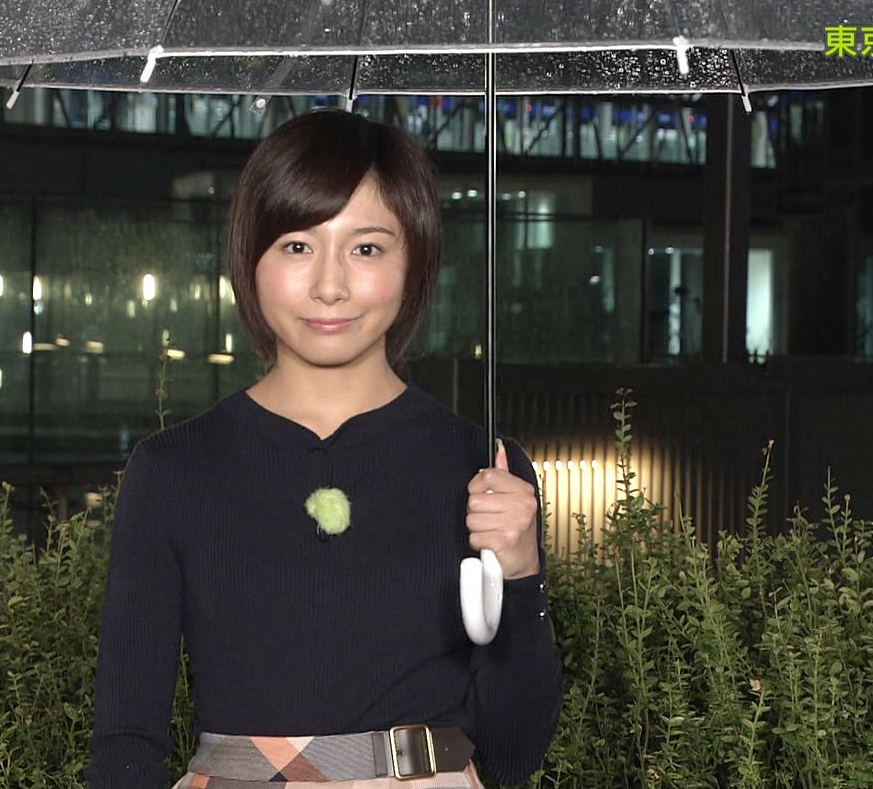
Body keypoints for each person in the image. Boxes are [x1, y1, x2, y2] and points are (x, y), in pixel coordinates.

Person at [85, 109, 561, 789]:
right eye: (296, 246)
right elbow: (126, 741)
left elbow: (513, 756)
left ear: (415, 261)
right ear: (249, 259)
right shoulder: (172, 471)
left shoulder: (486, 470)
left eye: (366, 249)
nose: (330, 286)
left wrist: (520, 573)